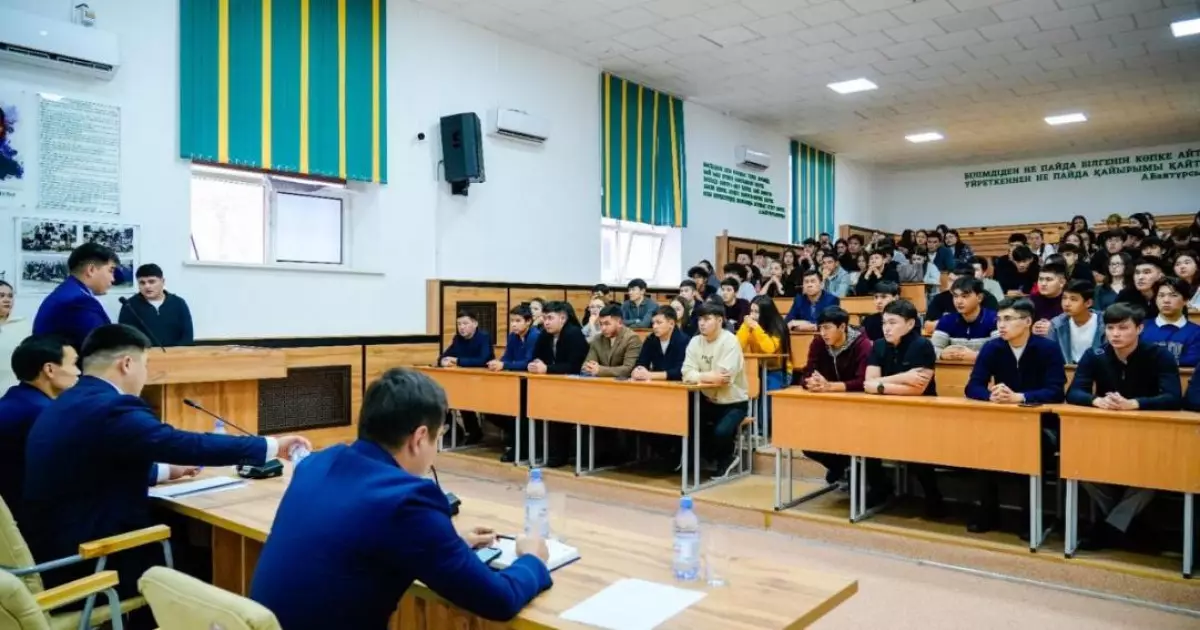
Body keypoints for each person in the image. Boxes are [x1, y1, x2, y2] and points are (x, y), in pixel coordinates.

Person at [23, 324, 312, 602]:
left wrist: (165, 471)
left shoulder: (66, 402)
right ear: (127, 364)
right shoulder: (112, 407)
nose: (145, 375)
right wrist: (270, 445)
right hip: (95, 559)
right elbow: (178, 443)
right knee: (207, 561)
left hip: (52, 550)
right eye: (145, 366)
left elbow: (94, 464)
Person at [250, 368, 551, 629]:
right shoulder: (408, 499)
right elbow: (498, 600)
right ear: (420, 437)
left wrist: (453, 544)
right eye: (439, 436)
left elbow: (367, 540)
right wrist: (532, 559)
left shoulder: (317, 463)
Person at [1066, 303, 1181, 550]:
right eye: (1110, 328)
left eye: (1123, 328)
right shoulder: (1095, 355)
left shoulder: (1160, 356)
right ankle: (1126, 527)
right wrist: (1095, 400)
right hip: (1106, 433)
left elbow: (1173, 397)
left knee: (1154, 473)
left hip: (1149, 433)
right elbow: (1073, 392)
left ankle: (1108, 529)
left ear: (1139, 328)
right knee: (1080, 467)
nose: (1115, 334)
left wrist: (1135, 404)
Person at [963, 297, 1066, 535]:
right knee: (982, 444)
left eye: (1008, 319)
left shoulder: (1047, 348)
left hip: (1040, 422)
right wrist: (992, 396)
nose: (1001, 325)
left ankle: (1031, 516)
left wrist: (1019, 397)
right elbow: (973, 386)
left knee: (1029, 446)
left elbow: (1056, 391)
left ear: (1027, 321)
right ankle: (987, 511)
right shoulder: (992, 347)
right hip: (1001, 419)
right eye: (999, 319)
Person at [863, 299, 943, 515]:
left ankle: (933, 495)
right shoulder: (878, 345)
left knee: (916, 444)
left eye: (893, 322)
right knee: (864, 437)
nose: (886, 328)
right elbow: (868, 382)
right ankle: (879, 487)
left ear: (909, 324)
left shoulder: (922, 345)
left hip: (920, 410)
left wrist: (880, 385)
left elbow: (918, 389)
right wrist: (903, 377)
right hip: (884, 409)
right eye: (884, 323)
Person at [794, 307, 877, 487]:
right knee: (808, 444)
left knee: (860, 441)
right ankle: (841, 467)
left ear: (842, 327)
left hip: (859, 406)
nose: (823, 333)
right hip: (829, 407)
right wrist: (811, 382)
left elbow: (863, 381)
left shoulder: (862, 345)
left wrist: (830, 386)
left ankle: (872, 484)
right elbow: (806, 372)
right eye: (820, 328)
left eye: (827, 328)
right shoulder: (818, 343)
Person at [0, 335, 79, 518]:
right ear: (49, 369)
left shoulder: (13, 400)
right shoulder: (46, 414)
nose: (78, 372)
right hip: (34, 522)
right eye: (74, 364)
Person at [682, 302, 750, 478]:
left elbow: (723, 378)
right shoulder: (695, 341)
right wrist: (706, 376)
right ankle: (686, 461)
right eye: (700, 319)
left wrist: (698, 375)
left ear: (720, 320)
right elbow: (686, 372)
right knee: (685, 422)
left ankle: (727, 458)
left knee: (720, 433)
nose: (702, 323)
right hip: (706, 400)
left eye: (707, 319)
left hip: (733, 403)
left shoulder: (730, 341)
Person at [527, 301, 588, 467]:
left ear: (562, 318)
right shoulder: (545, 334)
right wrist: (536, 364)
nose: (546, 322)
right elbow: (535, 356)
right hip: (552, 385)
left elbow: (575, 365)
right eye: (544, 318)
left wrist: (546, 368)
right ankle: (540, 451)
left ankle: (559, 455)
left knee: (559, 412)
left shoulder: (574, 333)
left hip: (574, 386)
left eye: (550, 318)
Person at [32, 242, 119, 350]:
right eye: (111, 271)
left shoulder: (68, 291)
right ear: (91, 270)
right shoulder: (79, 301)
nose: (113, 279)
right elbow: (103, 348)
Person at [486, 305, 541, 462]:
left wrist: (505, 365)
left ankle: (520, 448)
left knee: (519, 413)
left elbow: (528, 362)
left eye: (518, 321)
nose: (514, 324)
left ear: (529, 321)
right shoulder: (512, 337)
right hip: (514, 383)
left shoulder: (535, 336)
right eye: (512, 321)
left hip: (532, 384)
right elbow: (507, 358)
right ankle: (514, 443)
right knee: (495, 409)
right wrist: (498, 363)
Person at [117, 263, 194, 346]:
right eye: (142, 283)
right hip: (143, 355)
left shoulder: (178, 303)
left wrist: (176, 354)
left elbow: (187, 335)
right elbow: (124, 337)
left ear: (163, 281)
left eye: (151, 282)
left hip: (176, 355)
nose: (147, 286)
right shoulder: (129, 305)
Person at [931, 277, 998, 363]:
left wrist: (977, 356)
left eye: (964, 296)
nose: (959, 301)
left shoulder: (994, 319)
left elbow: (1000, 352)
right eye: (955, 296)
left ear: (979, 298)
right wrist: (941, 354)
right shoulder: (947, 320)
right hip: (953, 373)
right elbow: (932, 350)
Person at [1140, 276, 1200, 368]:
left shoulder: (1196, 332)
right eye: (1161, 295)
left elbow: (1191, 362)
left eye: (1173, 295)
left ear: (1185, 300)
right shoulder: (1140, 328)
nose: (1166, 300)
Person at [736, 296, 791, 395]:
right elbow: (737, 345)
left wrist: (756, 328)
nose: (752, 315)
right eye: (751, 311)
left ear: (766, 313)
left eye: (756, 312)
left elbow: (769, 349)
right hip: (758, 369)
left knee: (767, 395)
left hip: (778, 370)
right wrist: (745, 326)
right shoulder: (750, 325)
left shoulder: (778, 326)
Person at [1048, 280, 1104, 365]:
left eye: (1073, 299)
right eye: (1064, 298)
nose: (1066, 304)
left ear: (1088, 303)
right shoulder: (1057, 324)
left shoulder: (1105, 323)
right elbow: (1050, 356)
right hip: (1067, 372)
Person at [925, 264, 999, 325]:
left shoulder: (987, 298)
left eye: (957, 282)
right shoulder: (940, 298)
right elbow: (928, 325)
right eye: (950, 280)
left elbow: (991, 323)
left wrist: (947, 322)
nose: (952, 285)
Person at [583, 304, 643, 378]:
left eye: (607, 324)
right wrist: (589, 368)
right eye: (601, 324)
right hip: (601, 383)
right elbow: (586, 365)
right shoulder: (598, 338)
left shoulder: (632, 338)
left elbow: (629, 369)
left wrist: (600, 370)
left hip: (624, 385)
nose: (603, 328)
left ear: (620, 323)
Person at [633, 306, 689, 382]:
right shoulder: (650, 339)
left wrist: (651, 375)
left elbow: (681, 371)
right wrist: (638, 371)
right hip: (656, 383)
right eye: (653, 323)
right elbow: (641, 363)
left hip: (677, 385)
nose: (655, 326)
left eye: (659, 323)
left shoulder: (683, 340)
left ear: (671, 324)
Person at [0, 279, 35, 391]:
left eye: (10, 296)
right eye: (1, 296)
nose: (7, 300)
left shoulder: (23, 326)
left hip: (14, 388)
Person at [1029, 261, 1067, 333]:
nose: (1043, 284)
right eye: (1040, 279)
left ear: (1062, 282)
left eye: (1049, 279)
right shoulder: (1032, 300)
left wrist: (1054, 328)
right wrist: (1031, 329)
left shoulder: (1069, 301)